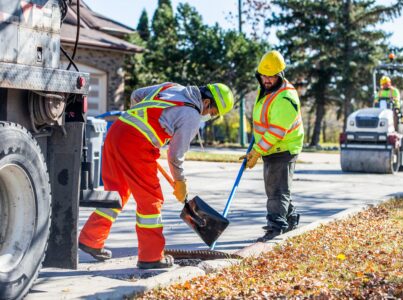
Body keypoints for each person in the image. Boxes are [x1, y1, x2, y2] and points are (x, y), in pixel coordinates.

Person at [79, 82, 234, 269]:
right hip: (136, 144)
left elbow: (136, 95)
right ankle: (151, 256)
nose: (209, 116)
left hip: (117, 132)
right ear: (207, 102)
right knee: (151, 199)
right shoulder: (192, 115)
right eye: (212, 112)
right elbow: (175, 156)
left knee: (117, 192)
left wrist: (139, 125)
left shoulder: (172, 87)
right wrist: (180, 182)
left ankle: (91, 239)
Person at [240, 50, 304, 242]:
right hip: (270, 147)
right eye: (263, 75)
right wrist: (256, 146)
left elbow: (276, 132)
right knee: (276, 188)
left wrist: (257, 151)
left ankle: (275, 228)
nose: (267, 80)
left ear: (280, 75)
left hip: (283, 148)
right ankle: (291, 217)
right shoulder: (266, 89)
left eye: (271, 76)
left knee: (276, 190)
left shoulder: (286, 98)